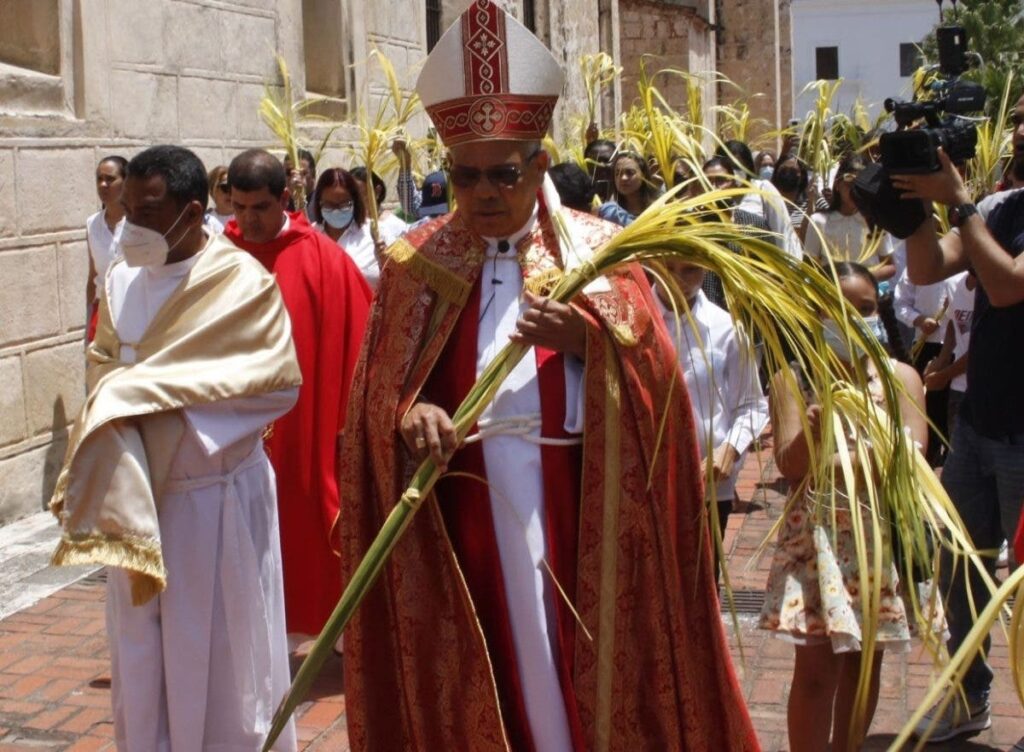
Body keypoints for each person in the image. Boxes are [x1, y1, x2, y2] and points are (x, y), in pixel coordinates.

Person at [339, 2, 760, 750]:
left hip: (576, 509)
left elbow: (660, 391)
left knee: (566, 670)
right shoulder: (416, 265)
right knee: (491, 665)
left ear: (539, 163)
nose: (483, 194)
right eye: (465, 177)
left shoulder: (601, 256)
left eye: (503, 174)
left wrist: (590, 344)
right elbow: (374, 394)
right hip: (459, 513)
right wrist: (407, 415)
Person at [50, 145, 303, 750]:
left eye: (147, 210)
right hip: (137, 500)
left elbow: (275, 382)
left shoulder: (240, 283)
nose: (129, 224)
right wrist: (127, 407)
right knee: (139, 657)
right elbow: (103, 367)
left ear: (192, 214)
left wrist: (154, 406)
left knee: (223, 657)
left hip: (213, 502)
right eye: (126, 207)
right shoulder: (121, 279)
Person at [759, 262, 928, 752]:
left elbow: (913, 455)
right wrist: (814, 434)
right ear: (815, 316)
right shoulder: (792, 380)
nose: (853, 320)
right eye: (837, 310)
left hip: (878, 538)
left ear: (880, 312)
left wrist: (836, 457)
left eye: (866, 310)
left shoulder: (901, 379)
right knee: (814, 666)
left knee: (864, 661)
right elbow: (791, 466)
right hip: (817, 542)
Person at [891, 131, 1024, 743]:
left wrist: (962, 202)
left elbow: (1006, 284)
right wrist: (912, 205)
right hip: (978, 423)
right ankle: (970, 695)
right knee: (958, 567)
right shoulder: (1002, 208)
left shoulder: (983, 210)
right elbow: (927, 267)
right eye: (1018, 119)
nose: (1019, 131)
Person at [223, 149, 372, 644]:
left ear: (284, 199)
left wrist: (349, 423)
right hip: (233, 425)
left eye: (260, 207)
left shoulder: (324, 259)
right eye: (238, 207)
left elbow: (361, 339)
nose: (248, 219)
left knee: (305, 519)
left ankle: (321, 629)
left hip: (303, 424)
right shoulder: (217, 259)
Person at [652, 260, 769, 583]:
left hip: (706, 484)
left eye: (689, 270)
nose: (677, 279)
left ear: (705, 268)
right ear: (650, 263)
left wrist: (728, 450)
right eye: (667, 268)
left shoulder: (726, 329)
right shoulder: (633, 322)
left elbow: (752, 405)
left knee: (698, 582)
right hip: (646, 482)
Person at [894, 270, 957, 465]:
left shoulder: (965, 269)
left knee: (952, 408)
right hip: (925, 344)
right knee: (926, 408)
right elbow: (900, 303)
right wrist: (919, 320)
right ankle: (926, 462)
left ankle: (951, 461)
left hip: (958, 349)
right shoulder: (918, 266)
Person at [804, 154, 897, 281]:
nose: (854, 191)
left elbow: (889, 265)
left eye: (859, 186)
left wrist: (861, 280)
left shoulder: (876, 221)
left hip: (867, 293)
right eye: (849, 185)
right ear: (837, 185)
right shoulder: (818, 221)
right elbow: (809, 265)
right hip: (832, 293)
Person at [718, 139, 803, 260]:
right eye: (728, 166)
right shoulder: (713, 193)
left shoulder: (763, 190)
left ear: (748, 166)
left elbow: (783, 233)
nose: (733, 172)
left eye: (737, 166)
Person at [308, 166, 382, 288]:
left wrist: (384, 261)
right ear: (319, 203)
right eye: (329, 205)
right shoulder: (310, 236)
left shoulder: (376, 233)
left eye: (343, 204)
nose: (336, 211)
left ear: (355, 202)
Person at [85, 155, 127, 338]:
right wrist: (89, 321)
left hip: (134, 310)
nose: (103, 184)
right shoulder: (92, 224)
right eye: (99, 179)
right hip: (103, 312)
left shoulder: (141, 223)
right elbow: (93, 275)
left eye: (110, 179)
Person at [349, 165, 409, 245]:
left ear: (377, 191)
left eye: (359, 195)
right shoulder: (348, 226)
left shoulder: (395, 226)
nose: (353, 201)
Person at [597, 150, 659, 226]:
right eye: (617, 173)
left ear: (644, 175)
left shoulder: (659, 209)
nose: (623, 178)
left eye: (630, 173)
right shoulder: (608, 213)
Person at [283, 147, 316, 215]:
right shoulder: (280, 206)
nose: (295, 178)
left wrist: (300, 198)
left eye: (302, 173)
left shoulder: (323, 203)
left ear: (313, 174)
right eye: (289, 173)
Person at [583, 137, 616, 203]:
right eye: (596, 161)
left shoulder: (630, 196)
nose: (602, 165)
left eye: (607, 161)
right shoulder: (579, 197)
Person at [204, 165, 233, 232]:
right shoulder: (205, 221)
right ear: (212, 191)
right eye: (225, 188)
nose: (230, 193)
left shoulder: (245, 218)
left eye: (233, 188)